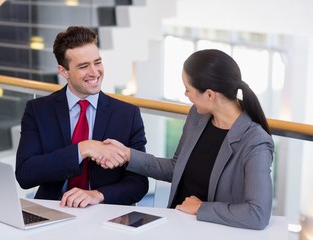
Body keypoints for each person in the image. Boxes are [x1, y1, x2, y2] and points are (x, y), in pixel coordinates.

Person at [95, 49, 274, 230]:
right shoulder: (198, 116)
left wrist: (200, 208)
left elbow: (257, 214)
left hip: (209, 231)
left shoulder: (255, 141)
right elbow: (176, 168)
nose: (186, 94)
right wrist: (127, 155)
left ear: (210, 95)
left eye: (188, 89)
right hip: (174, 224)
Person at [15, 26, 148, 208]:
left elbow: (139, 184)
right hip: (54, 208)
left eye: (97, 62)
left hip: (105, 211)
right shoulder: (38, 110)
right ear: (63, 71)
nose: (94, 72)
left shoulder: (127, 114)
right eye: (84, 66)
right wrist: (83, 148)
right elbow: (25, 174)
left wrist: (97, 195)